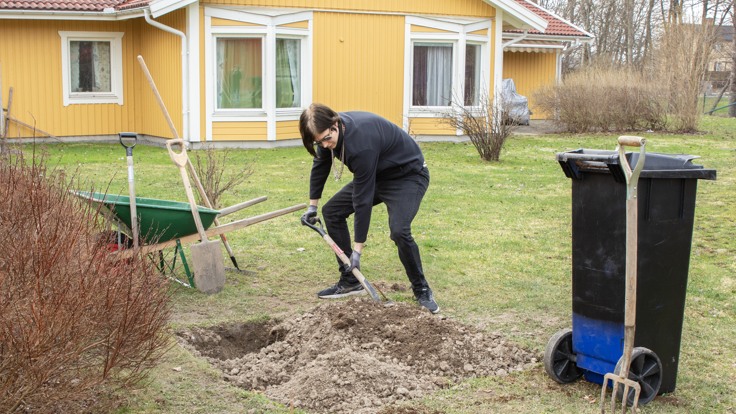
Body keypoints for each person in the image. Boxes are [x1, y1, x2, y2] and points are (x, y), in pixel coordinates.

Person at [299, 103, 439, 314]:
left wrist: (357, 250)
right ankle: (350, 281)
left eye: (327, 138)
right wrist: (312, 207)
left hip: (407, 175)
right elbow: (320, 166)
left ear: (335, 124)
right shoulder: (326, 133)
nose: (325, 145)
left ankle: (421, 289)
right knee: (331, 211)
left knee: (399, 231)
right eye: (319, 142)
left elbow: (362, 200)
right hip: (377, 173)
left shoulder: (360, 143)